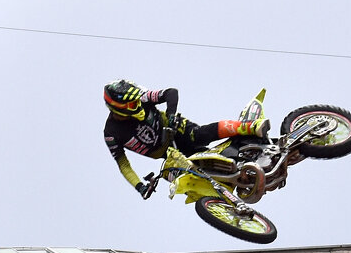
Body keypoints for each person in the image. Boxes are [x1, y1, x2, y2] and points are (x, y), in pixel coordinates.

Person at [103, 79, 269, 197]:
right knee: (183, 176)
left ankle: (251, 127)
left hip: (175, 129)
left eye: (136, 101)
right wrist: (139, 186)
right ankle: (230, 187)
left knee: (200, 135)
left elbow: (170, 93)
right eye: (132, 105)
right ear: (118, 109)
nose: (137, 104)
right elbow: (123, 163)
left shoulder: (141, 97)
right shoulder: (111, 133)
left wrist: (171, 116)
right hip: (168, 153)